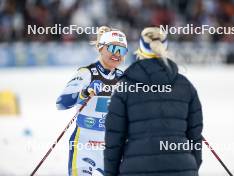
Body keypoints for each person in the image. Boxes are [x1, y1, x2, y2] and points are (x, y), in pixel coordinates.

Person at [104, 27, 203, 176]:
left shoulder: (125, 88)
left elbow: (114, 140)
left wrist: (110, 173)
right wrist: (190, 168)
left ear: (140, 51)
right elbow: (195, 138)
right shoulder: (186, 86)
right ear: (166, 49)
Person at [56, 26, 128, 176]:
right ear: (101, 48)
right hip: (84, 144)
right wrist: (83, 94)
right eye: (113, 48)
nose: (117, 54)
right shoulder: (86, 73)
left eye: (121, 50)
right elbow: (62, 102)